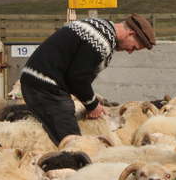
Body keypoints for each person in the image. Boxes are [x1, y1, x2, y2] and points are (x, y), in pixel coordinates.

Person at [20, 14, 155, 147]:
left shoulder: (101, 27)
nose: (130, 51)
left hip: (39, 81)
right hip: (45, 86)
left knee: (56, 136)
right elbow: (78, 77)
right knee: (73, 143)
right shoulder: (102, 40)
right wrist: (92, 105)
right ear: (130, 33)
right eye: (134, 47)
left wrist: (92, 102)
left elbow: (76, 73)